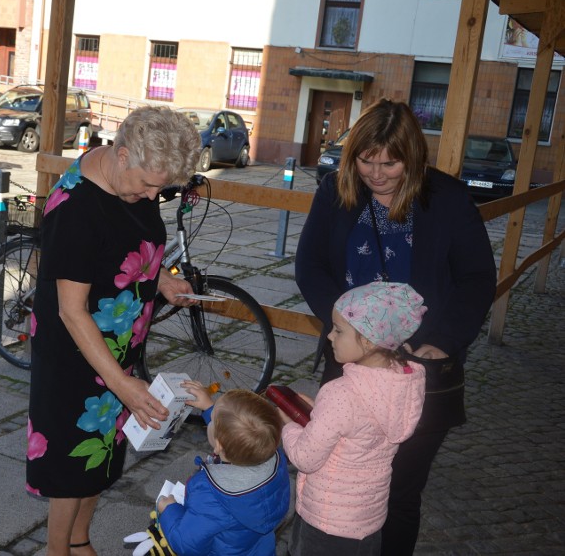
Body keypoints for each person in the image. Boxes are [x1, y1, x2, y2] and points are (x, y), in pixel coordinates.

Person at [295, 98, 497, 555]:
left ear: (412, 156)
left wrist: (443, 341)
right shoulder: (335, 190)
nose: (377, 173)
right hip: (349, 360)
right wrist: (347, 327)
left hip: (418, 367)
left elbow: (477, 277)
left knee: (400, 490)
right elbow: (310, 265)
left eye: (390, 162)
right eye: (367, 160)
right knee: (339, 477)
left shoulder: (446, 198)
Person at [25, 105, 201, 556]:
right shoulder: (76, 208)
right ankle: (57, 551)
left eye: (163, 189)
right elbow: (71, 311)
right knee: (71, 466)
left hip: (117, 351)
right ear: (122, 155)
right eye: (148, 183)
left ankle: (80, 540)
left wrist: (160, 281)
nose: (152, 195)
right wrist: (122, 384)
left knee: (100, 459)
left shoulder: (131, 185)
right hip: (77, 356)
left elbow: (121, 251)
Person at [280, 282, 427, 556]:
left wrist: (286, 425)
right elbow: (358, 428)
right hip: (367, 523)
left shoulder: (342, 393)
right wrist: (320, 415)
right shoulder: (402, 383)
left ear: (369, 340)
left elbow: (305, 457)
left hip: (326, 522)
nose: (330, 337)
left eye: (339, 330)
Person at [156, 382, 290, 556]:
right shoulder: (273, 459)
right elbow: (238, 433)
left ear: (218, 445)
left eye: (213, 420)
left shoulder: (212, 495)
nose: (211, 420)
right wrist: (209, 406)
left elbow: (186, 543)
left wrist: (169, 510)